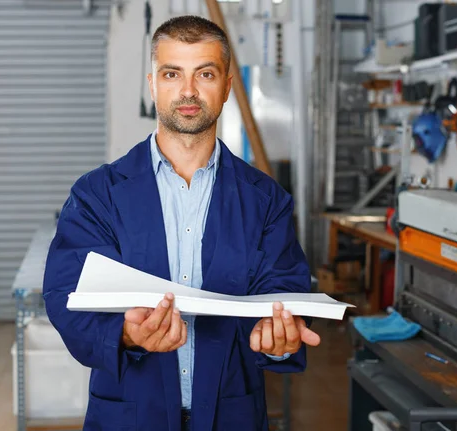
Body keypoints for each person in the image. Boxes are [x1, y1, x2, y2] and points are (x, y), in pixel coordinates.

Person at [43, 14, 321, 431]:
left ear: (226, 85)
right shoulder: (98, 194)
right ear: (153, 84)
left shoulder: (266, 200)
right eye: (172, 73)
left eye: (204, 73)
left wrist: (278, 339)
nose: (188, 91)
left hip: (232, 414)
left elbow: (284, 291)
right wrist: (125, 334)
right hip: (130, 414)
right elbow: (66, 295)